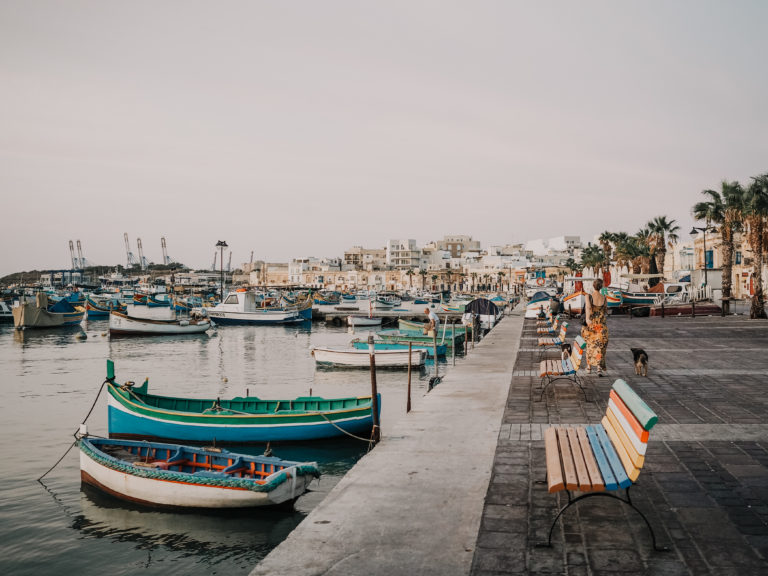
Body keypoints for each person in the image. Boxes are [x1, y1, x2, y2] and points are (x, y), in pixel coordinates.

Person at [582, 278, 609, 376]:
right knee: (600, 348)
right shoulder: (604, 298)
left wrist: (587, 319)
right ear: (601, 287)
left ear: (593, 286)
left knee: (590, 346)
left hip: (592, 325)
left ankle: (589, 367)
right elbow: (606, 311)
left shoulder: (588, 297)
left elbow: (588, 308)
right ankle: (598, 368)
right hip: (602, 326)